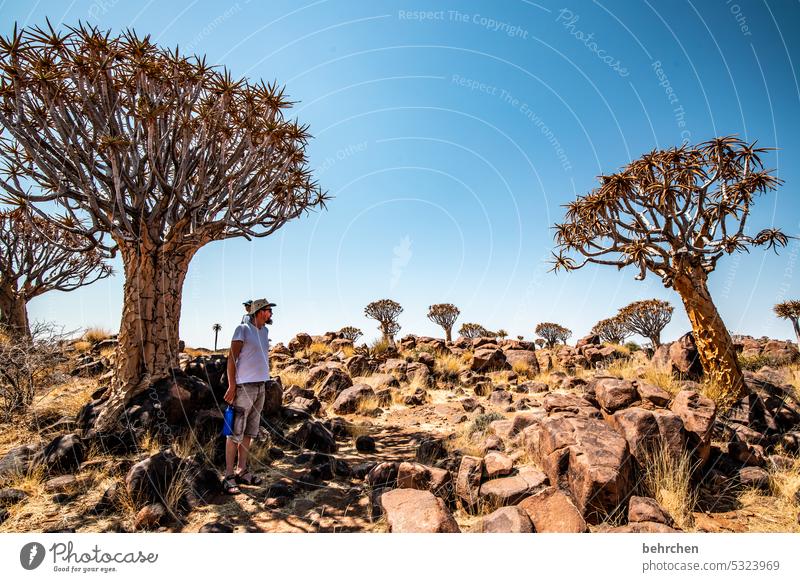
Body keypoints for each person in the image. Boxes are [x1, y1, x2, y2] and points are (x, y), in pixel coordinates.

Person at [222, 298, 276, 494]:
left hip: (261, 386)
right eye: (269, 310)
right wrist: (232, 385)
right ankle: (228, 476)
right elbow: (232, 358)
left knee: (249, 433)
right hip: (244, 387)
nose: (271, 313)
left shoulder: (265, 332)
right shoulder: (242, 329)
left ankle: (242, 471)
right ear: (260, 311)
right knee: (234, 433)